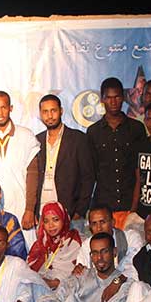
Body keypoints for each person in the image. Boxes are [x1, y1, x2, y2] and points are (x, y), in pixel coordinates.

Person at [0, 91, 41, 246]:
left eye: (4, 107)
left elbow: (33, 175)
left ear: (11, 108)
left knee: (23, 249)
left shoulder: (26, 136)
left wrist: (30, 209)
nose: (0, 112)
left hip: (19, 204)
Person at [87, 77, 147, 229]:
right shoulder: (93, 132)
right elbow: (91, 172)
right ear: (102, 99)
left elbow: (141, 171)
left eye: (117, 97)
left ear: (123, 98)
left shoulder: (137, 128)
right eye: (109, 97)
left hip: (132, 206)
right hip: (103, 206)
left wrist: (135, 207)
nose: (113, 102)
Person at [34, 94, 95, 229]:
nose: (50, 116)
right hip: (42, 212)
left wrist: (80, 210)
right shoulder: (36, 140)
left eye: (53, 110)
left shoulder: (78, 139)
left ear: (61, 111)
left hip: (70, 212)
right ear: (40, 114)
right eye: (45, 112)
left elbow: (88, 177)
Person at [73, 205, 141, 277]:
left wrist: (116, 281)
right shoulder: (86, 245)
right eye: (94, 223)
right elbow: (82, 272)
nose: (99, 228)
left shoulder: (130, 238)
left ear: (112, 222)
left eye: (102, 222)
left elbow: (133, 268)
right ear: (90, 227)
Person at [27, 202, 82, 289]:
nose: (51, 225)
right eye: (46, 221)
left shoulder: (73, 241)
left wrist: (53, 283)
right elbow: (28, 271)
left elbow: (77, 277)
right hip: (39, 288)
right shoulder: (39, 244)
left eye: (55, 220)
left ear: (63, 219)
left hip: (67, 291)